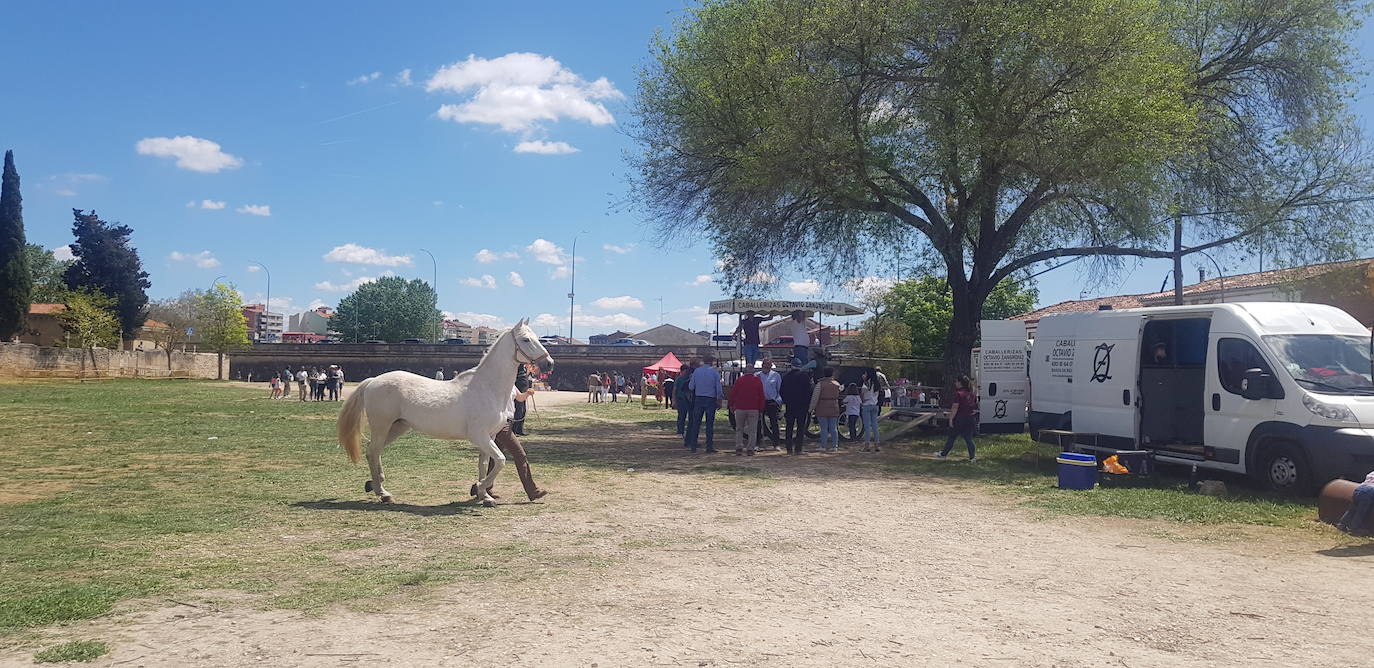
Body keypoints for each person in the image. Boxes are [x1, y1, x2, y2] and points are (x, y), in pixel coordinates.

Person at [476, 381, 548, 502]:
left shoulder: (511, 385)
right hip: (501, 425)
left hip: (508, 424)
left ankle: (482, 487)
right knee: (520, 455)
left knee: (494, 458)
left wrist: (527, 394)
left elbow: (519, 398)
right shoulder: (496, 384)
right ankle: (532, 491)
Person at [685, 356, 724, 453]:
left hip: (699, 398)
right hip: (711, 399)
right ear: (712, 362)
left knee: (696, 423)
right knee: (709, 424)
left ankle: (693, 445)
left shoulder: (696, 372)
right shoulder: (715, 372)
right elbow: (718, 388)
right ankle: (709, 446)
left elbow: (691, 386)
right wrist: (719, 399)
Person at [939, 375, 978, 461]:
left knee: (952, 437)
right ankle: (972, 457)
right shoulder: (972, 394)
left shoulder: (958, 394)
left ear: (960, 383)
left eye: (956, 381)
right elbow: (974, 407)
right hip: (970, 419)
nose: (955, 383)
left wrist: (951, 419)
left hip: (960, 419)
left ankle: (943, 454)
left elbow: (955, 407)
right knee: (969, 439)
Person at [731, 368, 765, 456]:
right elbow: (761, 396)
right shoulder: (757, 381)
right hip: (753, 408)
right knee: (752, 430)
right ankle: (750, 449)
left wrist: (731, 404)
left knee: (739, 429)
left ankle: (739, 447)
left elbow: (733, 393)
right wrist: (761, 409)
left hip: (740, 407)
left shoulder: (739, 380)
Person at [780, 366, 813, 455]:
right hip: (802, 406)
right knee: (801, 428)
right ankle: (798, 448)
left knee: (789, 427)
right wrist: (807, 403)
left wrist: (786, 401)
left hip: (790, 405)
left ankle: (789, 449)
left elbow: (782, 391)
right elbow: (809, 391)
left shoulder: (786, 376)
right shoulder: (805, 376)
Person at [810, 367, 843, 452]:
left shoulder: (820, 384)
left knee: (823, 428)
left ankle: (823, 446)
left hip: (822, 406)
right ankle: (834, 445)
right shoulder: (837, 384)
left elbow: (815, 397)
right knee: (833, 427)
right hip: (834, 406)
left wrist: (811, 408)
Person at [1336, 469, 1374, 536]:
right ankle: (1354, 528)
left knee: (1352, 509)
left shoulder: (1372, 473)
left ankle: (1341, 524)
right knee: (1361, 512)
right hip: (1369, 492)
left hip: (1359, 489)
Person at [756, 359, 782, 450]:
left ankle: (776, 444)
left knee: (774, 423)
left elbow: (779, 390)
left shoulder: (776, 375)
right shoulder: (757, 375)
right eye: (764, 366)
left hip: (771, 402)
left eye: (768, 366)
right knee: (758, 423)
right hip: (760, 401)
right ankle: (758, 443)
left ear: (771, 366)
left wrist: (778, 401)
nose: (766, 368)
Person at [860, 375, 881, 452]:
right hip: (875, 405)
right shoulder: (877, 384)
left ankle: (867, 445)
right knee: (875, 426)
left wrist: (862, 401)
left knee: (867, 426)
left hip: (867, 405)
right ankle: (877, 445)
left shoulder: (866, 383)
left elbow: (862, 394)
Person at [675, 360, 696, 437]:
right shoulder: (679, 379)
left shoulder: (690, 379)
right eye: (685, 371)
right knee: (681, 416)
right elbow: (675, 390)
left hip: (689, 400)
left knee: (690, 417)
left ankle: (688, 432)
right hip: (681, 399)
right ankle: (680, 431)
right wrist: (674, 401)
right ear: (682, 371)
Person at [512, 363, 532, 436]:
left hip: (524, 388)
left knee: (523, 410)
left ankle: (519, 429)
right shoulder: (517, 365)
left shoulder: (524, 366)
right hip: (519, 388)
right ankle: (514, 430)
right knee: (518, 410)